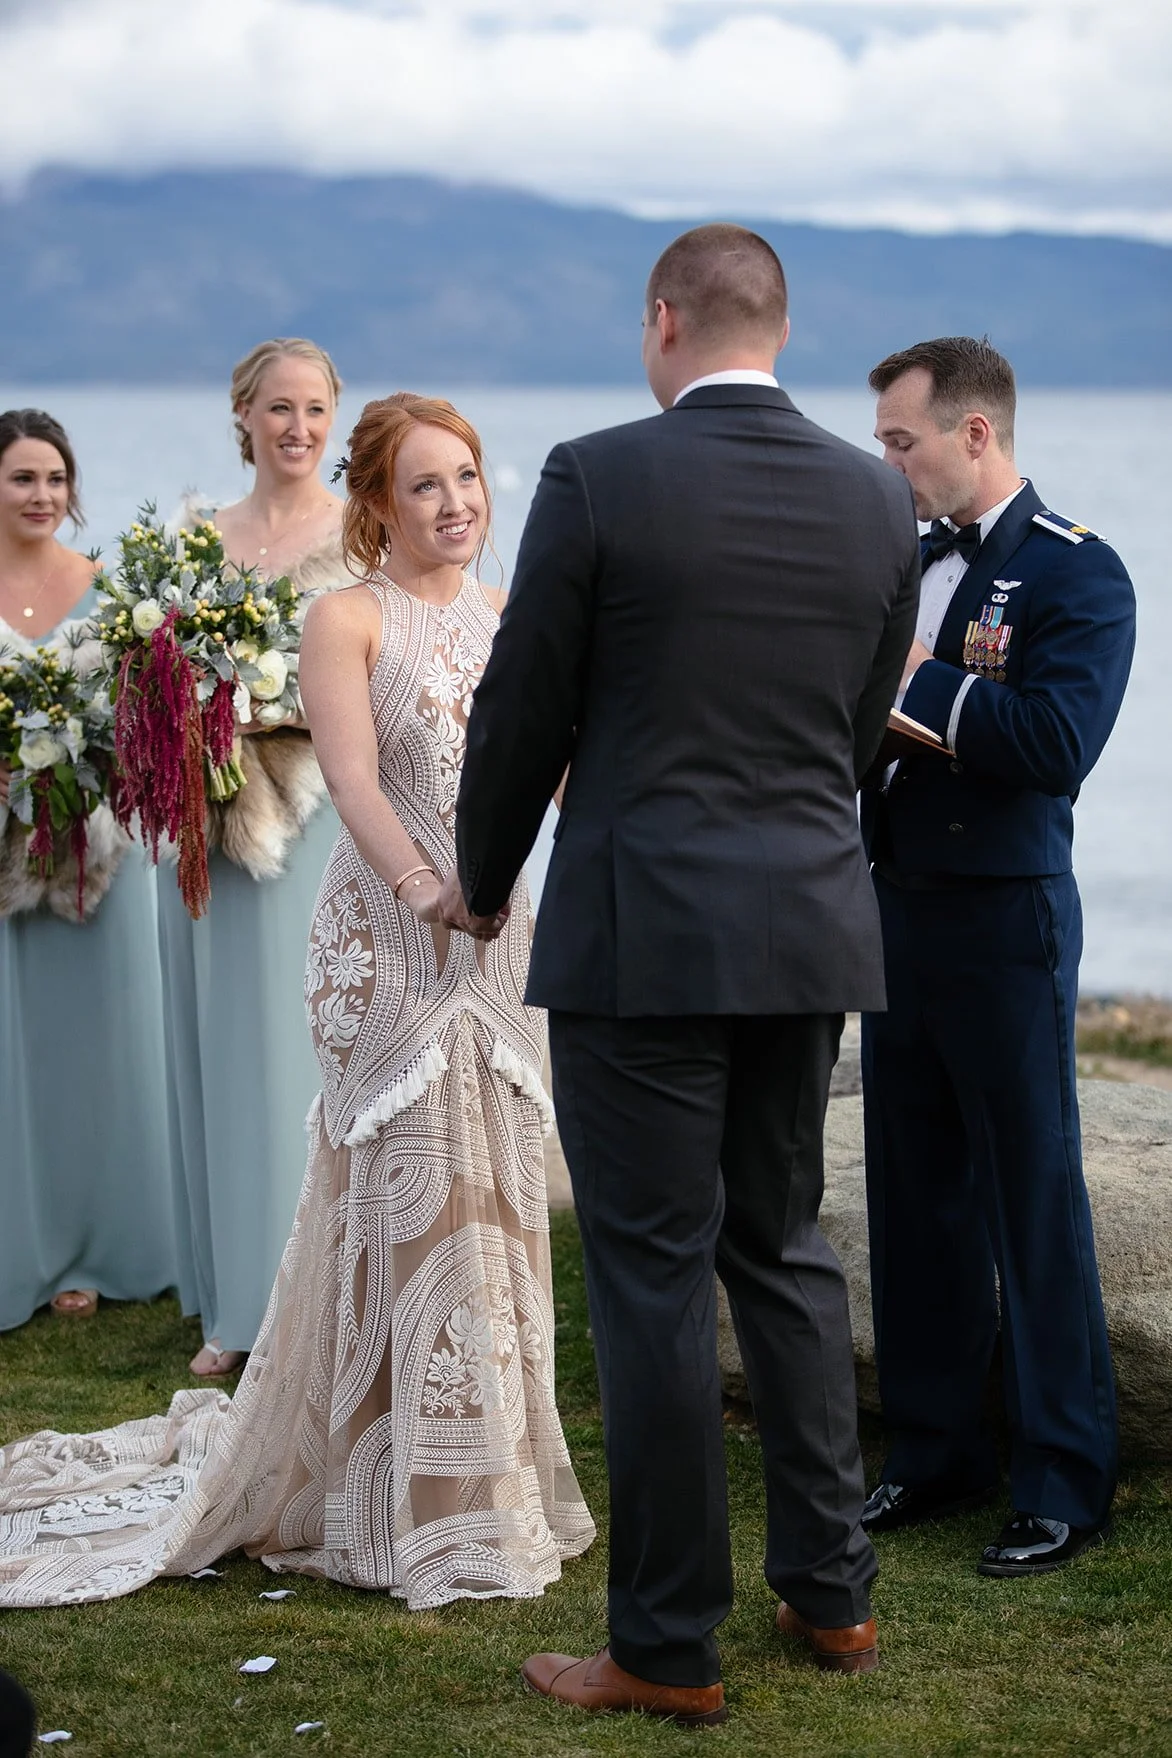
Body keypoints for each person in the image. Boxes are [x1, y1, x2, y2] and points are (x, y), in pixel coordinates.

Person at [0, 391, 593, 1611]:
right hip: (385, 940)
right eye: (425, 485)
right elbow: (352, 777)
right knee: (410, 1203)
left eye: (469, 479)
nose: (455, 505)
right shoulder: (345, 617)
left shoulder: (512, 618)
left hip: (504, 951)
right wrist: (430, 889)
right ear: (376, 504)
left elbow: (564, 775)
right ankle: (395, 1500)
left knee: (494, 1200)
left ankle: (495, 1485)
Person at [443, 223, 920, 1724]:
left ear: (665, 321)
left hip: (646, 932)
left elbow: (526, 704)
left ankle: (662, 1643)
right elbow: (860, 721)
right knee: (782, 1246)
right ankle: (831, 1595)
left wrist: (484, 872)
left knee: (652, 1278)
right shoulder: (874, 492)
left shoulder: (598, 472)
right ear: (776, 327)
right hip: (805, 924)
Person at [859, 337, 1135, 1576]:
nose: (887, 462)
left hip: (1003, 917)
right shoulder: (899, 562)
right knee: (911, 1195)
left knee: (1030, 1197)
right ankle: (930, 1453)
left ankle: (1065, 1481)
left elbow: (1058, 741)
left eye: (900, 441)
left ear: (973, 434)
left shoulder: (1081, 574)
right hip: (892, 910)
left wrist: (917, 690)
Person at [158, 338, 348, 1376]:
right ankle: (236, 1302)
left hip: (314, 812)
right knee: (230, 1048)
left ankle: (321, 1292)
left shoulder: (354, 540)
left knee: (306, 1048)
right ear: (242, 416)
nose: (298, 429)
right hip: (211, 819)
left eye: (315, 409)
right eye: (278, 409)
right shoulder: (196, 544)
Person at [0, 407, 176, 1329]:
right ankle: (19, 1250)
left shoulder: (111, 595)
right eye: (23, 477)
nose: (41, 495)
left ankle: (108, 1247)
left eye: (55, 479)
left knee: (107, 1046)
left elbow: (142, 726)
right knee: (13, 1054)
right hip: (1, 860)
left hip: (99, 854)